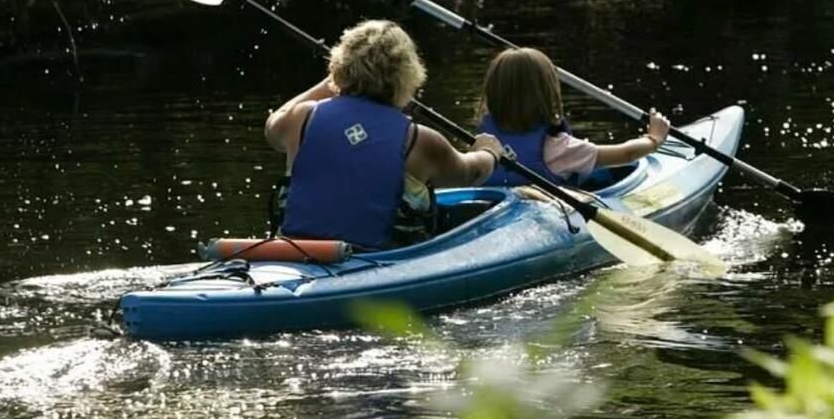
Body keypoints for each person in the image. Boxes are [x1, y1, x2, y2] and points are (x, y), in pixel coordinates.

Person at [264, 20, 504, 249]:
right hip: (378, 260)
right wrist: (488, 151)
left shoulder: (301, 118)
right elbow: (471, 173)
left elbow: (272, 127)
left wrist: (332, 81)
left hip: (296, 252)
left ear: (338, 66)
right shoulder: (419, 139)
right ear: (409, 75)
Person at [476, 47, 670, 187]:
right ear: (547, 95)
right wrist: (654, 139)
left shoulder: (482, 144)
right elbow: (626, 154)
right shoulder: (561, 148)